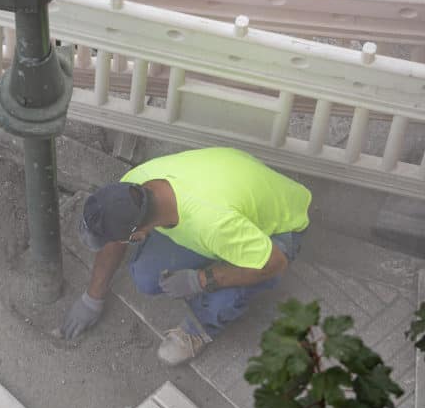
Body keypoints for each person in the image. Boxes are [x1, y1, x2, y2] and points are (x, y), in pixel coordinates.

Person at [61, 147, 311, 365]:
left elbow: (275, 264)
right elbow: (115, 242)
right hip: (234, 193)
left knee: (231, 290)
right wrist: (92, 298)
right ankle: (226, 255)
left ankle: (200, 328)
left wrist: (201, 280)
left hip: (279, 229)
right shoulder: (133, 187)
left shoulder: (213, 224)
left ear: (138, 235)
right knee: (148, 276)